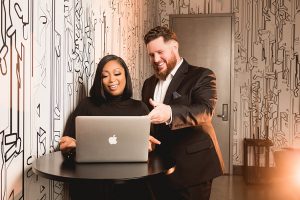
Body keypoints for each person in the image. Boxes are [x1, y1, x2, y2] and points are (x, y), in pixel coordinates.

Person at [60, 54, 160, 200]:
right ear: (99, 80)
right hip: (92, 185)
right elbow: (66, 144)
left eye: (117, 74)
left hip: (131, 184)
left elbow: (151, 147)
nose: (112, 80)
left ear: (126, 76)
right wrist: (70, 145)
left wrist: (149, 146)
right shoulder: (87, 105)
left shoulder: (140, 108)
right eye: (105, 76)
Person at [142, 26, 225, 200]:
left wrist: (170, 112)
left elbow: (205, 110)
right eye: (151, 55)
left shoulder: (202, 75)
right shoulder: (148, 84)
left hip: (193, 168)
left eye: (160, 52)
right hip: (159, 168)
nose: (156, 59)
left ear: (174, 47)